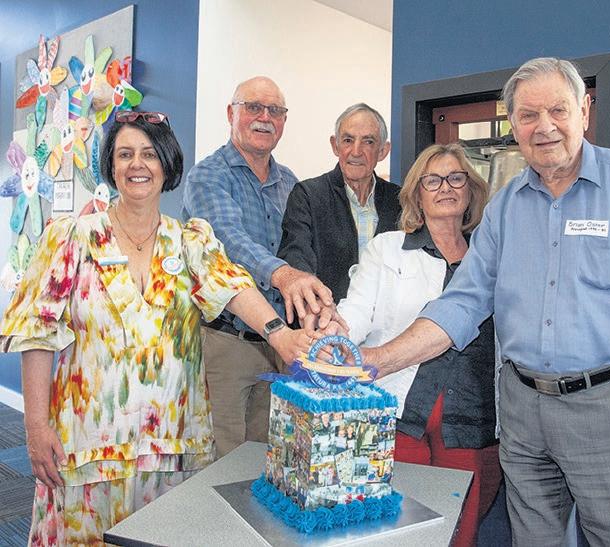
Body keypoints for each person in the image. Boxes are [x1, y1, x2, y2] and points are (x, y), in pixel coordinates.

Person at [359, 57, 610, 545]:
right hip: (523, 413)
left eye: (558, 110)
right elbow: (462, 303)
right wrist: (375, 361)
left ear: (584, 110)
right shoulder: (504, 207)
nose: (544, 127)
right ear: (513, 125)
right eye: (529, 115)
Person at [0, 111, 311, 545]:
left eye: (149, 154)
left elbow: (232, 286)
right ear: (111, 167)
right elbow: (38, 336)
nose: (137, 164)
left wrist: (280, 333)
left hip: (172, 450)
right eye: (125, 154)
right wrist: (35, 428)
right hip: (88, 449)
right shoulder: (71, 238)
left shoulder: (190, 242)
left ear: (166, 164)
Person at [336, 143, 501, 547]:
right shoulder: (387, 248)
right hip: (399, 414)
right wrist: (335, 339)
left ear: (471, 190)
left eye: (456, 178)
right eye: (433, 180)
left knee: (461, 533)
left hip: (472, 420)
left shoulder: (492, 257)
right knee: (398, 532)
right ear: (416, 193)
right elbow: (356, 310)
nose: (445, 187)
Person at [182, 77, 332, 457]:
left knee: (270, 457)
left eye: (275, 110)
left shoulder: (291, 184)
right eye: (253, 107)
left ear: (284, 121)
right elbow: (227, 241)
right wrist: (284, 275)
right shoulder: (208, 176)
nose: (265, 117)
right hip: (225, 343)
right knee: (219, 463)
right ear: (230, 113)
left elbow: (302, 250)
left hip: (282, 346)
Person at [278, 103, 401, 304]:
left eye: (368, 141)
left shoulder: (400, 201)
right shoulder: (308, 195)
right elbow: (296, 255)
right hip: (326, 316)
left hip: (387, 321)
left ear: (383, 151)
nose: (356, 151)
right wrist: (317, 304)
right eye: (348, 140)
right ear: (335, 145)